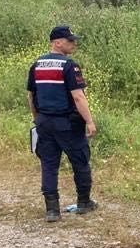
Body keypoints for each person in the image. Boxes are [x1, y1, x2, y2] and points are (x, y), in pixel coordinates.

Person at [27, 25, 98, 222]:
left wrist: (37, 118)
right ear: (57, 42)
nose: (73, 43)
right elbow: (78, 97)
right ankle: (84, 203)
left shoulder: (36, 65)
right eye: (69, 40)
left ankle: (52, 211)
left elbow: (31, 95)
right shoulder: (69, 66)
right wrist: (89, 121)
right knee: (80, 161)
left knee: (49, 165)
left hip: (44, 122)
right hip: (67, 124)